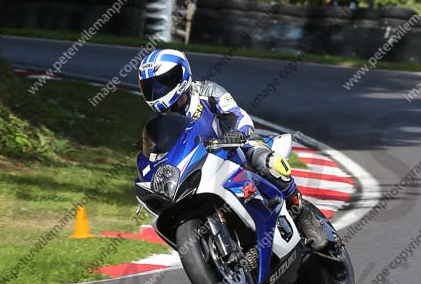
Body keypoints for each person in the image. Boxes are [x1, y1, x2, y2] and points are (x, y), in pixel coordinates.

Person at [137, 48, 327, 250]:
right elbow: (157, 153)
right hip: (197, 167)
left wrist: (237, 134)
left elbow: (238, 116)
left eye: (163, 82)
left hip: (233, 149)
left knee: (266, 161)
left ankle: (301, 210)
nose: (157, 91)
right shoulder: (158, 122)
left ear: (181, 74)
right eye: (151, 87)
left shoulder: (207, 92)